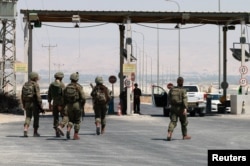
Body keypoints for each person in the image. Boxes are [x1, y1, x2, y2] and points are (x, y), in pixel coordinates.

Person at [57, 72, 85, 140]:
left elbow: (63, 98)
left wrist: (63, 106)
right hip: (77, 105)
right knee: (77, 121)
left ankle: (68, 130)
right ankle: (75, 135)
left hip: (68, 106)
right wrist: (82, 105)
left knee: (71, 119)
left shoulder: (67, 87)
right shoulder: (79, 87)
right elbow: (83, 98)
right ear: (77, 79)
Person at [166, 77, 191, 141]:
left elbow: (168, 97)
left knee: (173, 121)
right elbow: (184, 99)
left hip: (173, 108)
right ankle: (185, 135)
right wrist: (185, 108)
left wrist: (168, 104)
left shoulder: (172, 89)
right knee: (184, 122)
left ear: (177, 82)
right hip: (181, 108)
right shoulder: (183, 90)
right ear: (182, 82)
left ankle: (169, 133)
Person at [21, 72, 43, 137]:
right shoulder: (35, 85)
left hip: (27, 103)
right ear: (35, 78)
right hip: (34, 104)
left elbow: (22, 95)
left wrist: (23, 104)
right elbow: (38, 95)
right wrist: (40, 104)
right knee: (36, 117)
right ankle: (35, 132)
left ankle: (25, 128)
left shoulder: (25, 84)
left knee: (28, 117)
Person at [48, 72, 65, 137]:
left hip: (54, 103)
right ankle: (60, 126)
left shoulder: (51, 84)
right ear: (61, 78)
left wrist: (49, 103)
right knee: (65, 116)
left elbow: (49, 94)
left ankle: (56, 132)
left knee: (56, 118)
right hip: (61, 103)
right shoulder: (62, 84)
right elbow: (64, 95)